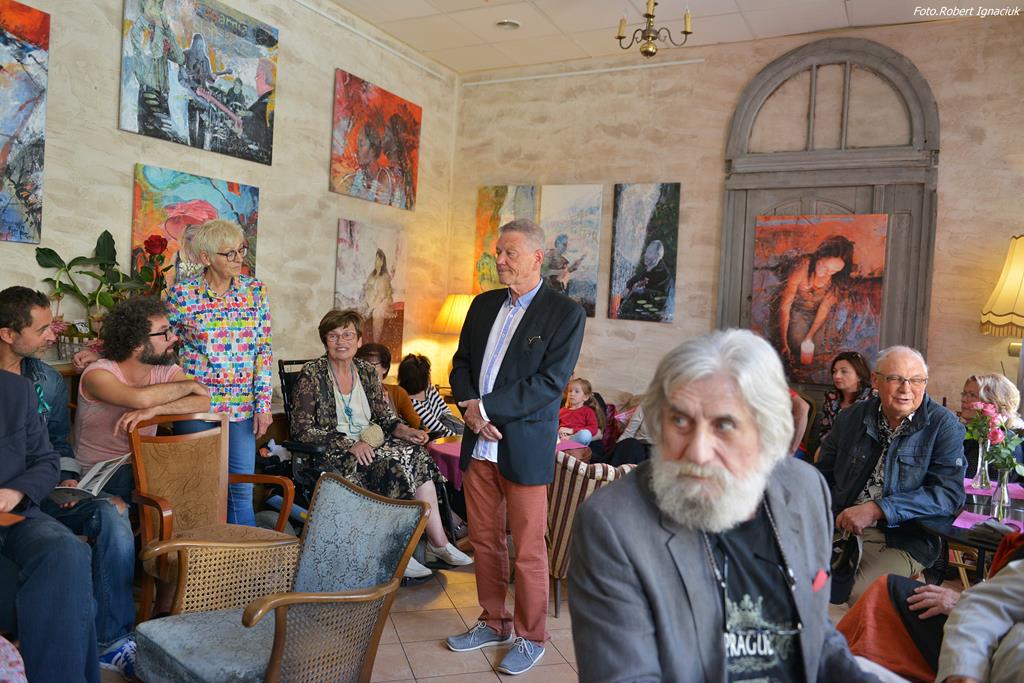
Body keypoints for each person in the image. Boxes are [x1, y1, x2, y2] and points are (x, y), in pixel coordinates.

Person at [567, 329, 872, 682]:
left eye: (724, 425)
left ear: (767, 434)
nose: (698, 452)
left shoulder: (806, 489)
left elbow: (816, 635)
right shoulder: (613, 524)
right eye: (680, 421)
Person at [446, 219, 586, 676]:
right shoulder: (483, 304)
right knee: (485, 542)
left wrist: (486, 409)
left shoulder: (565, 313)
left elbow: (549, 383)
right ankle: (494, 621)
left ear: (536, 258)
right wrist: (471, 410)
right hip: (478, 445)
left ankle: (531, 636)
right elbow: (461, 363)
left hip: (521, 446)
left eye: (509, 253)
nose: (500, 260)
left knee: (528, 549)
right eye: (498, 253)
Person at [0, 288, 139, 676]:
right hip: (25, 503)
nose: (52, 336)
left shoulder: (32, 386)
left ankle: (110, 642)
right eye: (42, 329)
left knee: (76, 543)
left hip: (21, 507)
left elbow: (51, 451)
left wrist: (32, 487)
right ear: (8, 334)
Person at [290, 309, 471, 579]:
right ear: (325, 340)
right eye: (333, 335)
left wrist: (406, 431)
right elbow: (302, 430)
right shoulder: (312, 374)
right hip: (332, 453)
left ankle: (439, 541)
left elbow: (385, 417)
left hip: (370, 445)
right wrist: (348, 444)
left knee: (417, 454)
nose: (341, 341)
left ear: (359, 340)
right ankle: (395, 553)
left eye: (347, 335)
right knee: (392, 464)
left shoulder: (365, 371)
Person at [816, 345, 966, 604]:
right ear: (876, 381)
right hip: (840, 526)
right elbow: (822, 476)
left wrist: (878, 509)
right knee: (791, 576)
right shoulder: (850, 418)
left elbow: (948, 495)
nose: (906, 388)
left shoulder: (944, 426)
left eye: (916, 380)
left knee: (861, 595)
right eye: (896, 378)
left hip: (903, 538)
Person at [166, 218, 273, 526]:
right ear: (205, 257)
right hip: (197, 406)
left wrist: (263, 406)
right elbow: (162, 344)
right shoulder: (182, 295)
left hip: (241, 409)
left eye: (241, 250)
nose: (239, 259)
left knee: (240, 490)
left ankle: (241, 556)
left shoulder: (255, 292)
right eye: (229, 253)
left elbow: (263, 350)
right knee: (196, 489)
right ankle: (197, 554)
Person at [0, 369, 100, 683]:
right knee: (73, 600)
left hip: (14, 515)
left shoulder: (16, 390)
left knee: (67, 551)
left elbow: (46, 461)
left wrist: (15, 492)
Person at [777, 235, 854, 365]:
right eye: (825, 267)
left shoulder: (836, 280)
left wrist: (809, 336)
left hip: (820, 317)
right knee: (795, 344)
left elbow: (824, 309)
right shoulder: (803, 266)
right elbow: (785, 306)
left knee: (816, 348)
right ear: (819, 256)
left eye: (834, 271)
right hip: (796, 311)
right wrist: (783, 341)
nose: (828, 273)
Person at [961, 373, 1024, 481]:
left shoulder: (1005, 443)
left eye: (972, 395)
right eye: (964, 394)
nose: (964, 399)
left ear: (995, 402)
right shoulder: (966, 432)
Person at [354, 343, 420, 429]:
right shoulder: (352, 395)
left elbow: (416, 423)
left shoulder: (397, 392)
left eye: (370, 365)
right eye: (360, 366)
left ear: (385, 367)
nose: (364, 370)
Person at [816, 350, 874, 448]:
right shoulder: (831, 397)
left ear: (859, 376)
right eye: (834, 371)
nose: (837, 376)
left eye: (844, 371)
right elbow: (825, 430)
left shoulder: (872, 398)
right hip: (832, 450)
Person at [398, 353, 463, 438]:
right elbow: (439, 430)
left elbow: (446, 411)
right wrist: (461, 439)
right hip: (434, 438)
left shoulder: (429, 389)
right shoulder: (411, 404)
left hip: (446, 430)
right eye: (428, 372)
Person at [618, 239, 672, 320]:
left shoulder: (665, 275)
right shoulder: (647, 269)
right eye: (646, 252)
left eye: (649, 253)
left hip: (651, 316)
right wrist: (627, 289)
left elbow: (661, 296)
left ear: (657, 255)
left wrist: (643, 291)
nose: (645, 255)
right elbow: (633, 281)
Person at [363, 248, 394, 344]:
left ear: (382, 261)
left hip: (382, 302)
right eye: (375, 259)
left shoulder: (384, 277)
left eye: (378, 259)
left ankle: (375, 342)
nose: (376, 261)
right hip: (371, 301)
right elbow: (367, 289)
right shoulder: (372, 275)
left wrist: (370, 308)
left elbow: (381, 296)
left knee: (377, 312)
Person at [558, 378, 601, 446]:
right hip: (560, 438)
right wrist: (559, 430)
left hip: (576, 440)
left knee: (585, 434)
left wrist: (572, 431)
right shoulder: (562, 410)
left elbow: (593, 428)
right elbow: (555, 425)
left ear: (585, 397)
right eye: (570, 391)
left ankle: (568, 442)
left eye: (576, 391)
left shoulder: (588, 411)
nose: (572, 394)